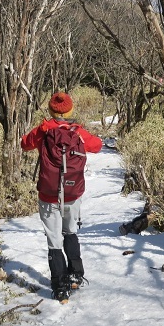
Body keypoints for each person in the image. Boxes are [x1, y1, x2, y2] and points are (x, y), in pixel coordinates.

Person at [21, 91, 102, 303]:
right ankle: (75, 274)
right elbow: (98, 146)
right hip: (72, 193)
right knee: (71, 231)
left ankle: (60, 286)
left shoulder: (43, 130)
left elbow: (24, 144)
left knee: (54, 240)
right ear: (71, 110)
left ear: (50, 109)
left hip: (48, 194)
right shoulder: (78, 132)